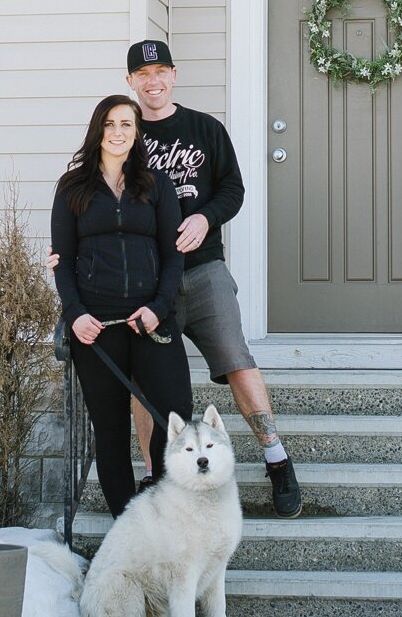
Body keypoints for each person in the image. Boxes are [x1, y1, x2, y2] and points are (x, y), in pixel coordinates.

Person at [125, 38, 301, 516]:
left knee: (236, 358)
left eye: (160, 70)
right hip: (147, 281)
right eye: (143, 75)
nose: (153, 80)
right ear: (130, 82)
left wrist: (204, 218)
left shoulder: (205, 129)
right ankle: (150, 474)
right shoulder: (124, 134)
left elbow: (233, 189)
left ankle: (276, 460)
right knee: (143, 379)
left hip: (204, 270)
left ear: (174, 75)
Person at [51, 94, 193, 519]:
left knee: (174, 418)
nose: (118, 132)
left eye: (127, 124)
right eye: (111, 124)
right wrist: (75, 315)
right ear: (99, 130)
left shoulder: (156, 185)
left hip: (151, 320)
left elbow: (173, 256)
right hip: (98, 325)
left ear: (137, 132)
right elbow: (62, 259)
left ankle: (167, 512)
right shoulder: (73, 187)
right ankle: (128, 527)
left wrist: (159, 306)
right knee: (110, 430)